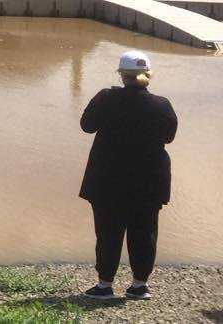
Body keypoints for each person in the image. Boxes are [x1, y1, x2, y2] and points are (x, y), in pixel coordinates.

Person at [79, 50, 177, 301]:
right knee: (144, 232)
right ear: (148, 75)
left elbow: (86, 125)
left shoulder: (106, 98)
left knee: (108, 232)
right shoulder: (162, 105)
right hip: (149, 181)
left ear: (122, 75)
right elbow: (168, 137)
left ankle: (104, 285)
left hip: (107, 179)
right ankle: (139, 285)